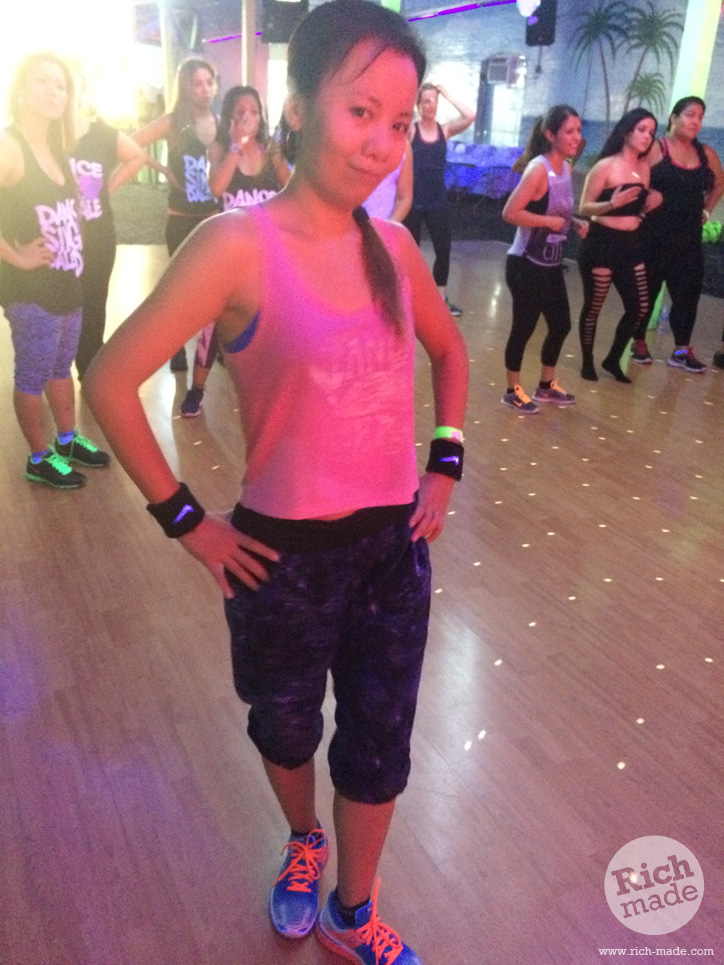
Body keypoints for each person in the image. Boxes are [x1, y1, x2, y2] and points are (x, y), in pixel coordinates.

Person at [84, 2, 468, 963]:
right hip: (279, 562)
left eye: (398, 121)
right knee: (286, 727)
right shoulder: (236, 245)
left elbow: (451, 351)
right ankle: (304, 838)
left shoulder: (395, 249)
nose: (381, 142)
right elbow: (111, 381)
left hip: (393, 554)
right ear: (297, 108)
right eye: (359, 111)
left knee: (379, 745)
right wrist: (188, 521)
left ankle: (353, 908)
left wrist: (445, 461)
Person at [0, 52, 109, 489]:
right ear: (21, 91)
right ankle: (39, 457)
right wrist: (17, 257)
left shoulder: (57, 148)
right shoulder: (9, 146)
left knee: (61, 366)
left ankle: (67, 439)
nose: (53, 91)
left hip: (66, 280)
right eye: (42, 81)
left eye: (60, 85)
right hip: (31, 289)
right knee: (33, 374)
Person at [177, 84, 291, 418]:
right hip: (229, 255)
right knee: (213, 323)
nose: (247, 118)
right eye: (240, 112)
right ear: (229, 117)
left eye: (253, 112)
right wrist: (235, 147)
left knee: (269, 323)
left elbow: (291, 187)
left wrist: (274, 156)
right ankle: (197, 389)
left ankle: (268, 389)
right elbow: (216, 187)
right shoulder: (220, 148)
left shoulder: (270, 150)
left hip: (266, 254)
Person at [131, 57, 221, 373]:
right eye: (197, 84)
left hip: (213, 217)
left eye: (209, 82)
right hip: (181, 216)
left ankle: (213, 346)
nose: (205, 89)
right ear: (185, 88)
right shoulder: (173, 121)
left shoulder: (220, 122)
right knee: (178, 291)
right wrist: (163, 170)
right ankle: (176, 348)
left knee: (214, 289)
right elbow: (130, 143)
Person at [500, 105, 588, 413]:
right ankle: (512, 390)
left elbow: (556, 210)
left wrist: (573, 223)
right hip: (525, 263)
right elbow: (510, 213)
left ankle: (546, 386)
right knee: (523, 328)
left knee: (561, 325)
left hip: (550, 264)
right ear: (551, 135)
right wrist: (548, 223)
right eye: (569, 131)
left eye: (578, 131)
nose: (576, 137)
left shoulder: (566, 169)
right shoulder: (538, 170)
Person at [632, 96, 724, 372]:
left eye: (700, 117)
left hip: (688, 239)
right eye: (690, 115)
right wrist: (644, 201)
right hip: (653, 236)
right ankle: (638, 341)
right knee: (646, 293)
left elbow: (719, 184)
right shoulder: (656, 149)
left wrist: (707, 210)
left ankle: (681, 350)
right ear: (674, 117)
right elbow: (633, 180)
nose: (695, 121)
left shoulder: (706, 154)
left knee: (687, 297)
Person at [577, 108, 661, 383]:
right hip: (602, 243)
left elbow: (635, 212)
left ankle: (613, 358)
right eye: (642, 130)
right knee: (595, 305)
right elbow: (584, 207)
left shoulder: (644, 168)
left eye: (651, 132)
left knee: (640, 306)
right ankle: (587, 361)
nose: (647, 136)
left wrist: (647, 208)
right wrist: (612, 203)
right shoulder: (605, 166)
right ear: (626, 132)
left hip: (631, 244)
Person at [70, 83, 148, 380]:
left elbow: (137, 156)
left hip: (97, 236)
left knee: (93, 303)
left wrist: (106, 188)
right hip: (58, 238)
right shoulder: (48, 134)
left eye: (68, 86)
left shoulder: (101, 133)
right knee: (61, 307)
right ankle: (55, 372)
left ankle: (88, 369)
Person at [403, 82, 474, 316]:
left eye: (434, 100)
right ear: (419, 105)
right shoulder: (411, 130)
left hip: (437, 201)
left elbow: (470, 115)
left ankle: (441, 299)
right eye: (426, 101)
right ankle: (408, 299)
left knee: (443, 250)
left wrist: (448, 95)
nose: (431, 105)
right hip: (413, 200)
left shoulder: (445, 130)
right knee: (410, 254)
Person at [362, 148, 413, 221]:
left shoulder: (404, 147)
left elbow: (404, 198)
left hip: (383, 223)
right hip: (349, 223)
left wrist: (389, 224)